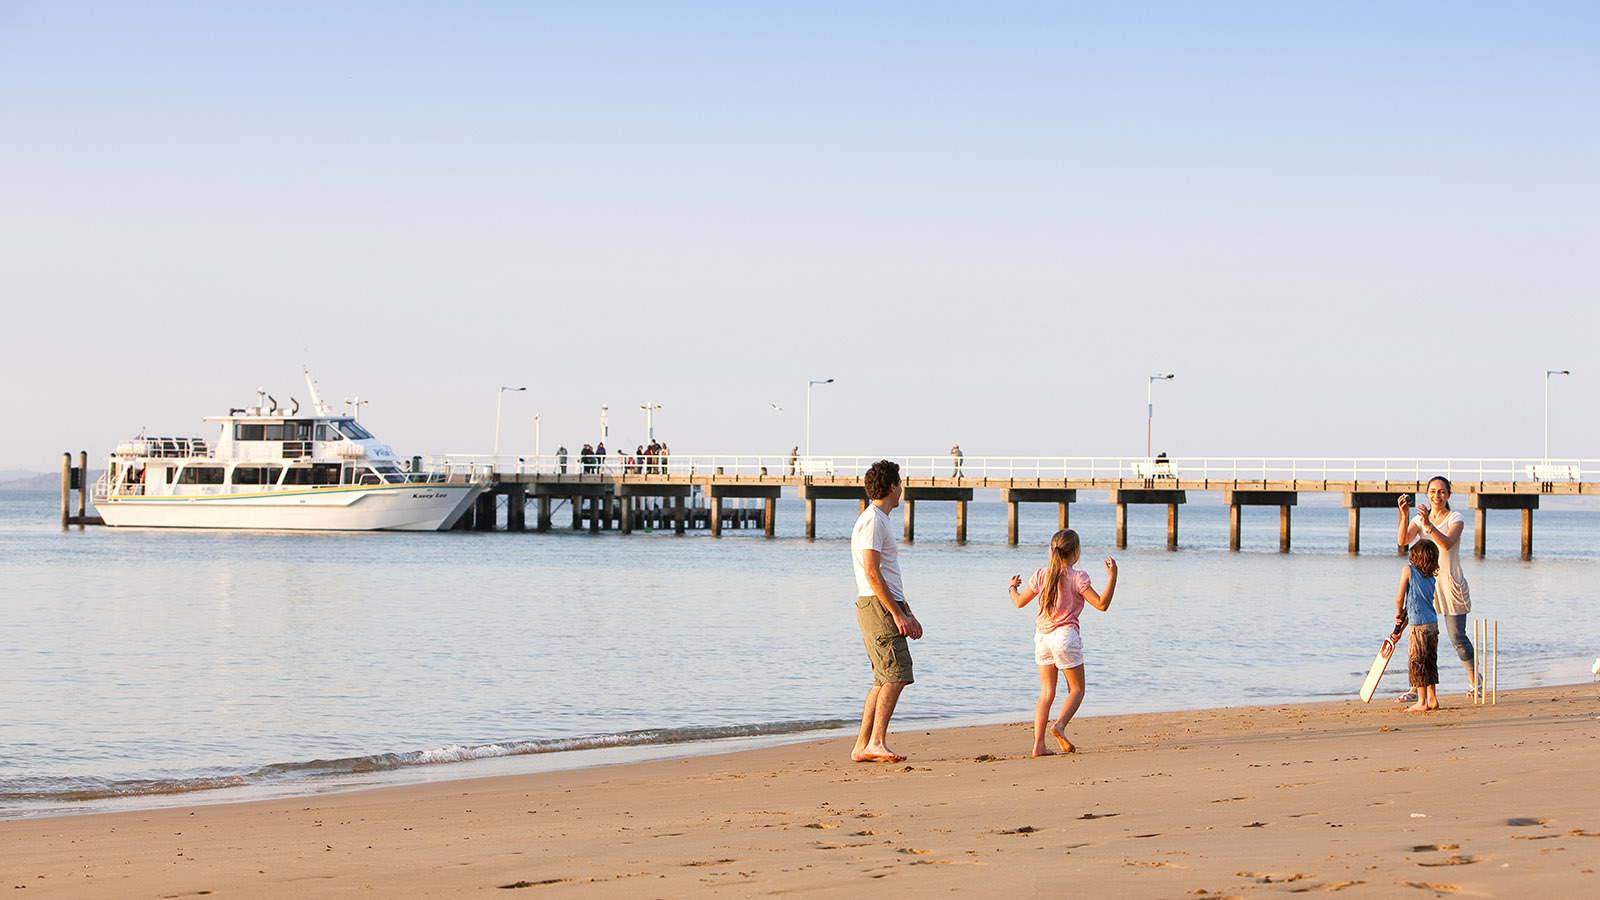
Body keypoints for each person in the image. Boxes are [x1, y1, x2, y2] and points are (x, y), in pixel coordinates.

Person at [1007, 529, 1117, 757]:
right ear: (1075, 553)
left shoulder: (1040, 575)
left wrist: (1012, 588)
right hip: (1065, 636)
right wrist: (1112, 577)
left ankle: (1038, 745)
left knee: (1046, 693)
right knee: (1077, 690)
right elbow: (1102, 604)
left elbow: (1018, 602)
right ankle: (1060, 726)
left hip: (1042, 638)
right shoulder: (1078, 577)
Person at [850, 459, 923, 763]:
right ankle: (876, 742)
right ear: (893, 487)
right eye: (900, 482)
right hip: (876, 606)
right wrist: (895, 613)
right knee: (895, 674)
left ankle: (862, 746)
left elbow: (887, 575)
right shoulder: (873, 520)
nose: (902, 487)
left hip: (882, 604)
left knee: (884, 678)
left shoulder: (879, 518)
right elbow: (872, 572)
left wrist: (908, 611)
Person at [1398, 476, 1476, 695]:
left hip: (1450, 584)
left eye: (1441, 492)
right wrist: (1404, 515)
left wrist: (1429, 525)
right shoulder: (1419, 518)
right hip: (1425, 586)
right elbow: (1403, 540)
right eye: (1432, 492)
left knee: (1457, 638)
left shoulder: (1455, 518)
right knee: (1421, 638)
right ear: (1427, 494)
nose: (1437, 496)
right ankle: (1417, 687)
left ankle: (1475, 682)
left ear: (1448, 495)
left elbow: (1447, 543)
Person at [1394, 540, 1441, 712]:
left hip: (1418, 626)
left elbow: (1400, 598)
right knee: (1430, 661)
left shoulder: (1408, 570)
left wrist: (1398, 613)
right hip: (1432, 624)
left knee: (1417, 662)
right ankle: (1432, 698)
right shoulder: (1431, 577)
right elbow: (1417, 601)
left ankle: (1422, 701)